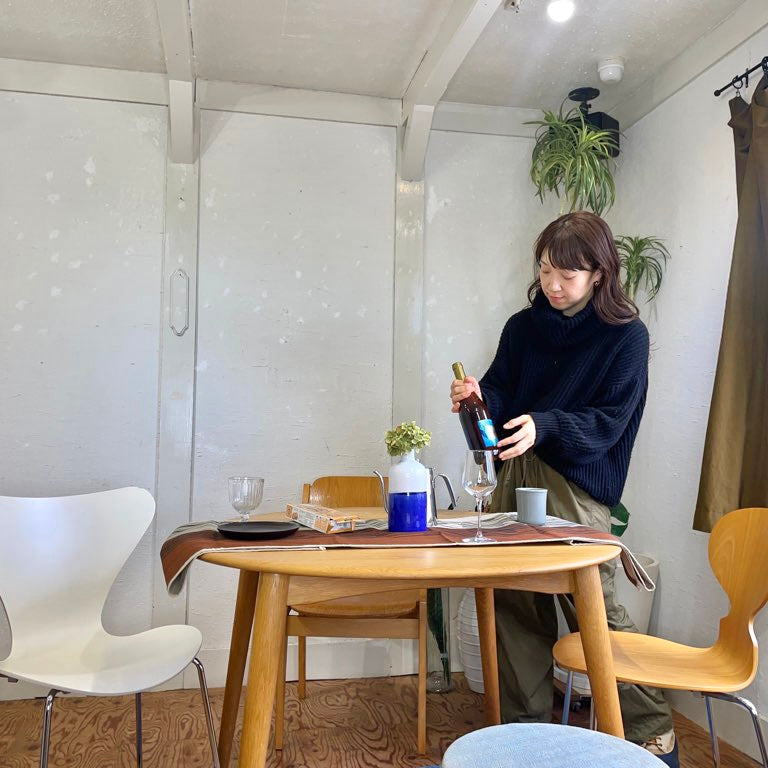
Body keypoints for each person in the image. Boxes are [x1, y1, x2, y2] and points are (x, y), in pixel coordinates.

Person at [449, 211, 678, 768]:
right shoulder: (522, 327)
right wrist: (477, 399)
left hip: (575, 488)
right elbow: (501, 398)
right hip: (515, 477)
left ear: (599, 273)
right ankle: (525, 736)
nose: (553, 284)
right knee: (512, 603)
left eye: (567, 275)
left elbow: (610, 423)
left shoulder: (626, 337)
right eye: (546, 270)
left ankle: (651, 730)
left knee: (593, 608)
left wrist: (544, 425)